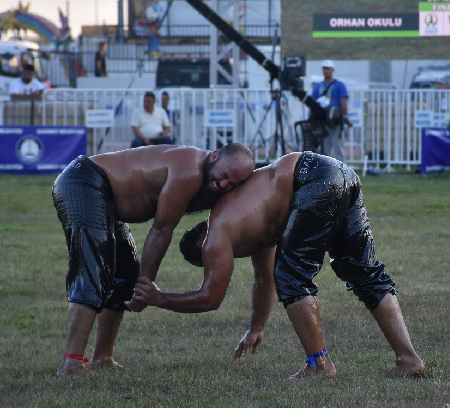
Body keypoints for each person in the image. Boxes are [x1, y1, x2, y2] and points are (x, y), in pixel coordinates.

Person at [130, 152, 425, 379]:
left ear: (201, 242)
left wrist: (159, 298)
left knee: (292, 275)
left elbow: (210, 297)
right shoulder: (252, 226)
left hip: (310, 177)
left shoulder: (216, 232)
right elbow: (263, 279)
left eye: (209, 258)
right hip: (339, 172)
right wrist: (256, 327)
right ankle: (408, 359)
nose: (219, 260)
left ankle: (319, 366)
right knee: (363, 272)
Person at [52, 143, 255, 376]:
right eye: (224, 175)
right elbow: (161, 230)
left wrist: (137, 284)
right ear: (215, 156)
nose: (224, 184)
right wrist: (145, 285)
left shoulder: (215, 184)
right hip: (84, 181)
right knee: (94, 268)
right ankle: (71, 362)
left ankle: (102, 357)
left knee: (124, 274)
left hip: (107, 201)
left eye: (234, 184)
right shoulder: (189, 169)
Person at [311, 60, 353, 162]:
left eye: (328, 69)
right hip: (323, 121)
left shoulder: (339, 85)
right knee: (325, 148)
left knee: (338, 146)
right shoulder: (317, 87)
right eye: (324, 69)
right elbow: (313, 104)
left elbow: (343, 101)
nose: (326, 71)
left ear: (332, 70)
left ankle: (342, 171)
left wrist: (346, 117)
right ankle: (326, 171)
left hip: (336, 120)